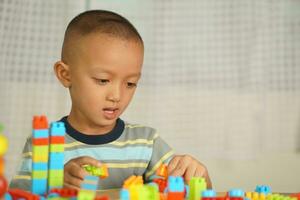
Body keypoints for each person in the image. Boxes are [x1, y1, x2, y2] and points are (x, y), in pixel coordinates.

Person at [10, 10, 212, 191]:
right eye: (103, 80)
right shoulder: (45, 143)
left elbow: (188, 190)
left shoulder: (146, 143)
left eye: (130, 83)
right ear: (65, 74)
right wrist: (55, 182)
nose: (116, 96)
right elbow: (18, 195)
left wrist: (198, 177)